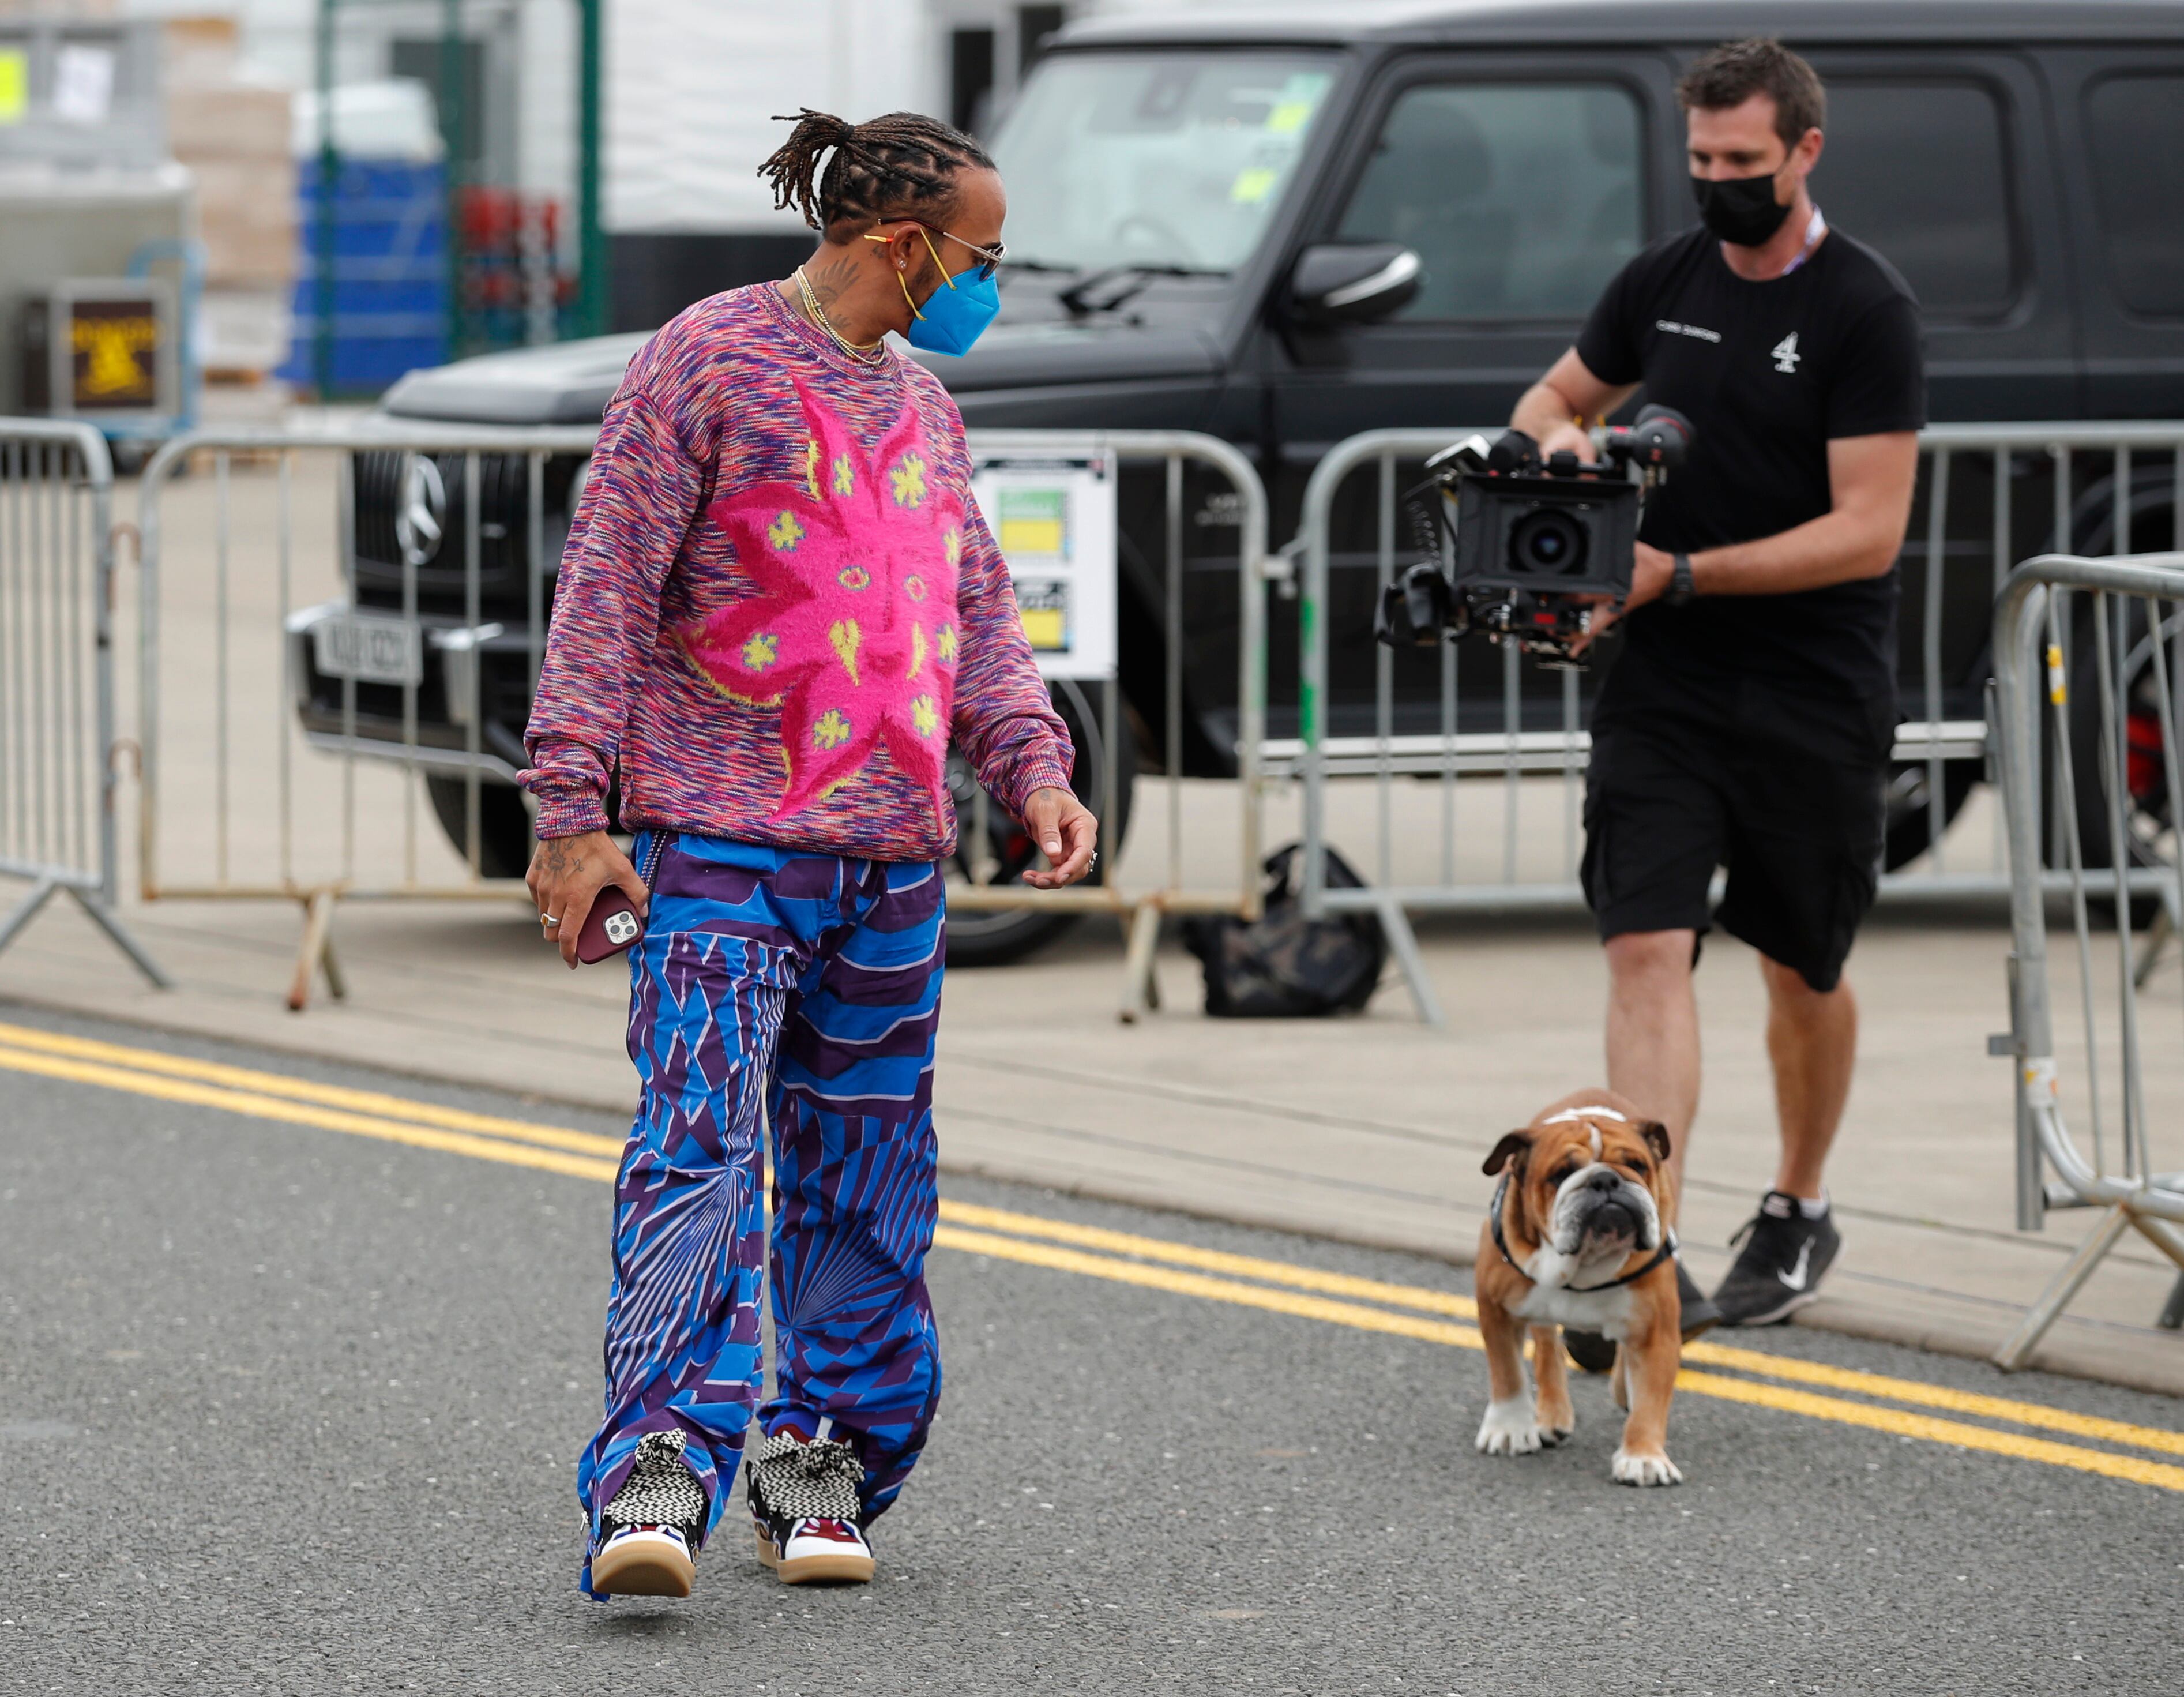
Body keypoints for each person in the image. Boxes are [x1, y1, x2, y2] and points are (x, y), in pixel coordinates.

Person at [520, 108, 1096, 1601]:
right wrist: (571, 814)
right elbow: (599, 590)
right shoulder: (705, 359)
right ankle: (654, 1470)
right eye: (983, 256)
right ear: (904, 245)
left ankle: (814, 1463)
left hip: (892, 868)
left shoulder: (927, 408)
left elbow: (972, 612)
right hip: (722, 855)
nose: (992, 284)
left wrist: (1030, 765)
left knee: (864, 1180)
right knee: (700, 1157)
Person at [1508, 39, 1924, 1336]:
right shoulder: (1663, 279)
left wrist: (1674, 572)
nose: (1718, 183)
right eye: (1700, 161)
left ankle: (1797, 1204)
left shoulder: (1865, 307)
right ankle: (1647, 1242)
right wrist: (1558, 442)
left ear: (1804, 152)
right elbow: (1549, 397)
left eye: (1742, 162)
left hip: (1812, 686)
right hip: (1664, 686)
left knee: (1800, 962)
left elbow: (1869, 528)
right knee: (1647, 944)